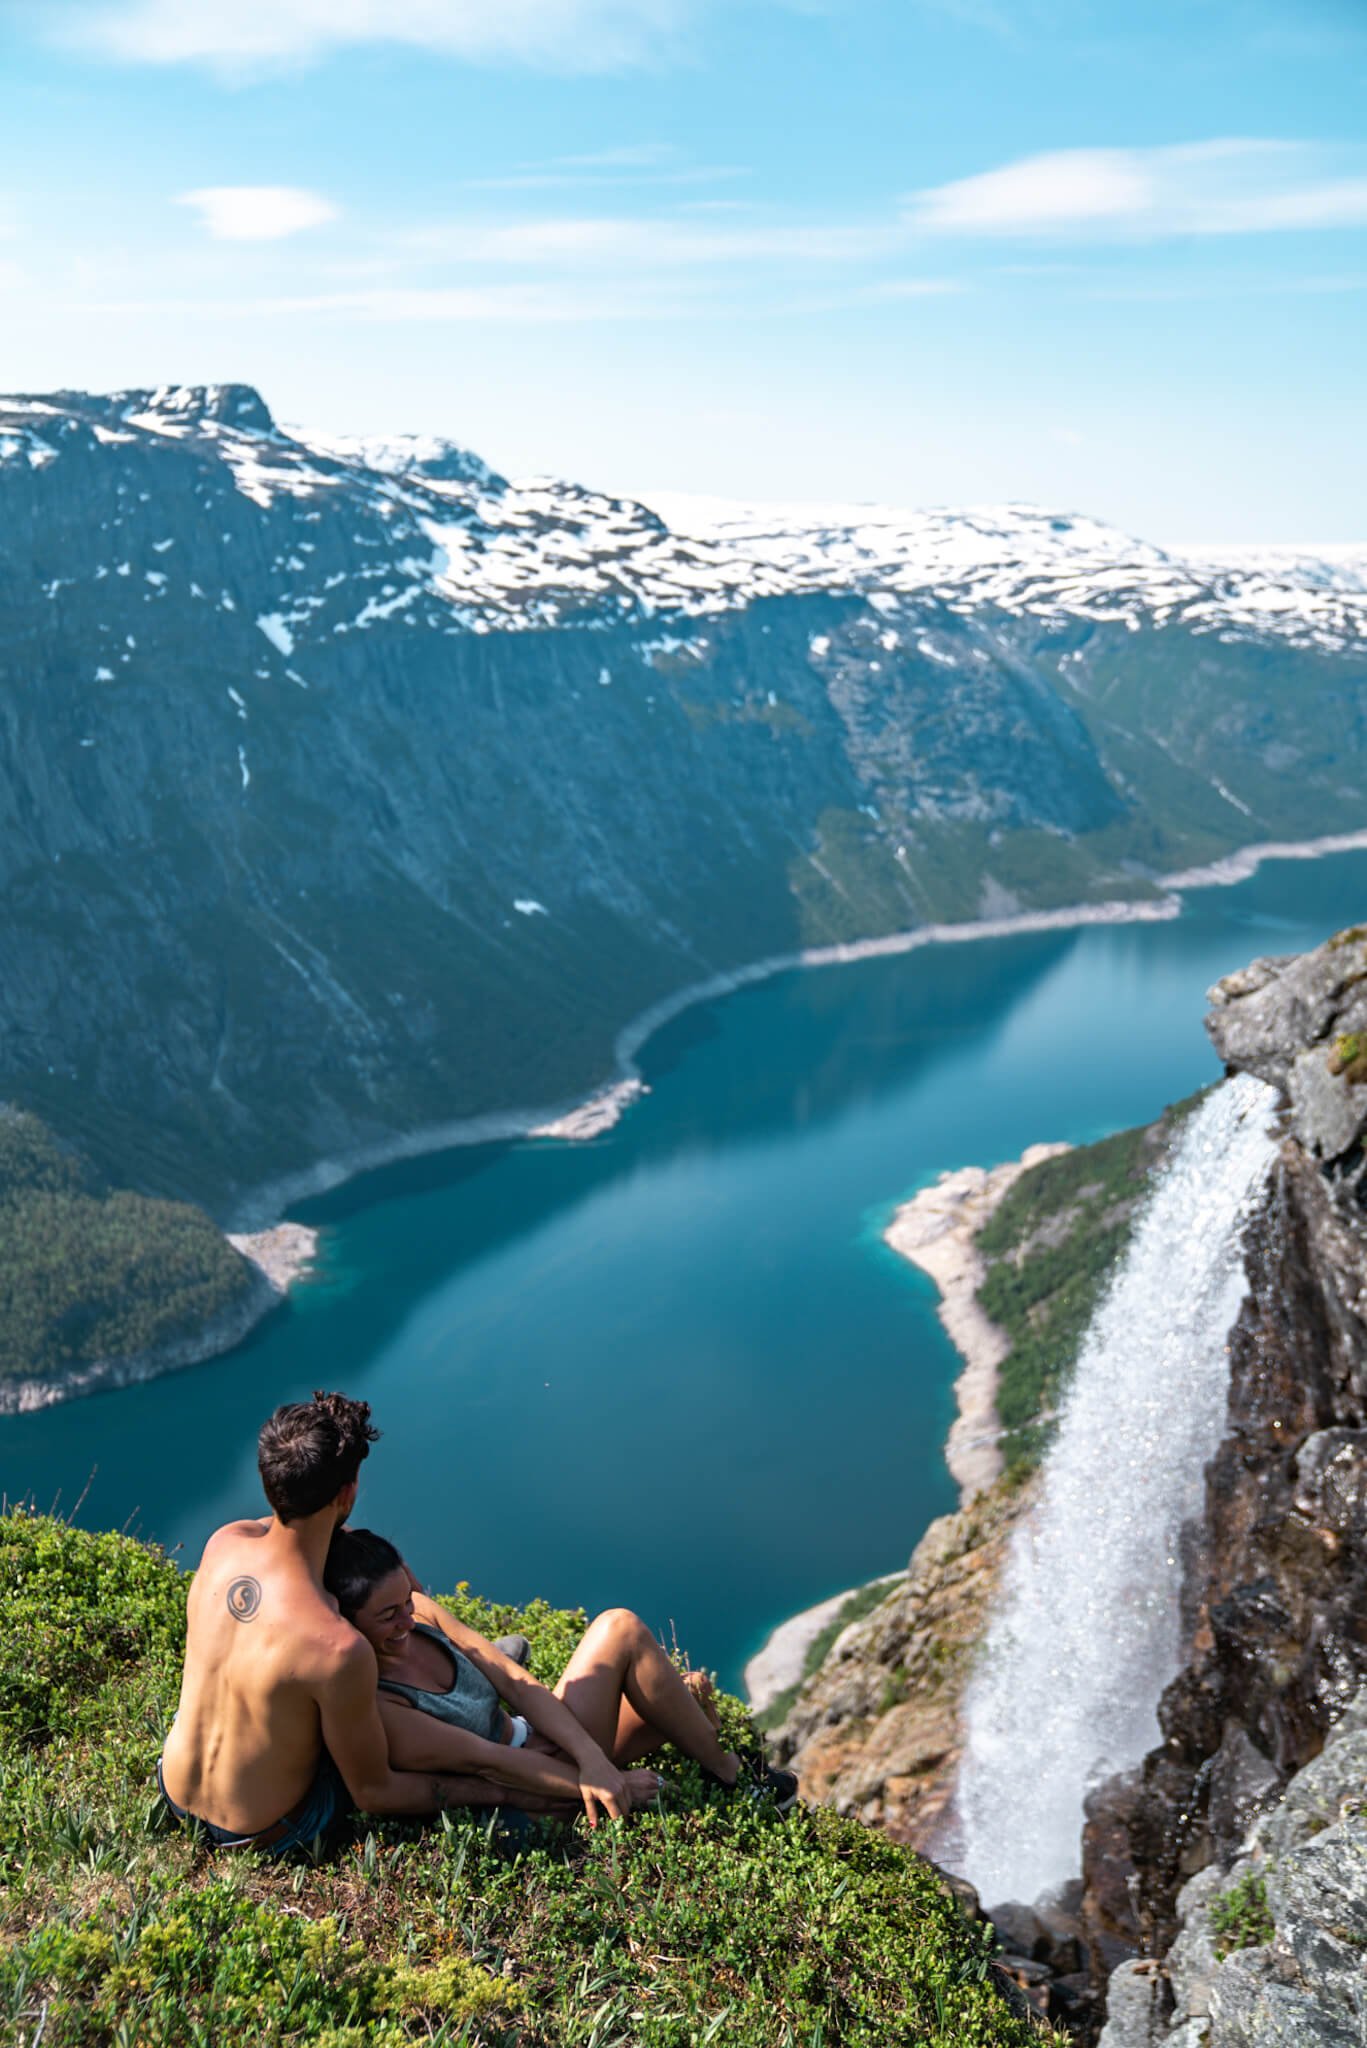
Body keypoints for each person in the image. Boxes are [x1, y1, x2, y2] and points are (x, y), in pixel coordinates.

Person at [158, 1391, 496, 1854]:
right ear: (347, 1493)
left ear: (270, 1481)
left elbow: (293, 1534)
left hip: (173, 1794)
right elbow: (375, 1794)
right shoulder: (337, 1647)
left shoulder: (223, 1545)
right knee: (371, 1704)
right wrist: (498, 1793)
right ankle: (491, 1726)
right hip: (263, 1833)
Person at [324, 1526, 798, 1819]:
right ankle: (735, 1779)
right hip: (533, 1792)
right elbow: (487, 1762)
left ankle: (728, 1772)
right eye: (388, 1616)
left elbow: (514, 1680)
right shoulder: (379, 1700)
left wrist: (586, 1752)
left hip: (535, 1740)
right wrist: (600, 1777)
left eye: (406, 1601)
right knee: (620, 1631)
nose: (407, 1620)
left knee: (685, 1694)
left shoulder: (421, 1615)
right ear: (348, 1624)